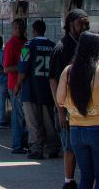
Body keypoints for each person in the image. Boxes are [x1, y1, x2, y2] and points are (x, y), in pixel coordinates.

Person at [50, 10, 91, 189]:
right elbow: (53, 79)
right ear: (71, 23)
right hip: (66, 107)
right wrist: (60, 110)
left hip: (87, 106)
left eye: (87, 23)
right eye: (81, 23)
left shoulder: (88, 44)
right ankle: (69, 181)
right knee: (69, 146)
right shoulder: (61, 47)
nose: (85, 27)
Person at [56, 31, 99, 189]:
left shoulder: (68, 71)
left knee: (86, 176)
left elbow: (60, 100)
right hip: (97, 129)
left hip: (76, 130)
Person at [18, 19, 60, 160]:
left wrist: (17, 85)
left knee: (33, 121)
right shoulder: (53, 46)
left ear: (33, 30)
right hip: (48, 89)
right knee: (49, 121)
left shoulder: (27, 46)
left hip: (30, 90)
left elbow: (23, 69)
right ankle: (53, 147)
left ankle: (36, 149)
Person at [3, 18, 29, 154]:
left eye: (21, 27)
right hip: (15, 85)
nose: (19, 30)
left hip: (25, 84)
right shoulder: (11, 45)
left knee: (25, 116)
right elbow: (6, 68)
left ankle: (24, 143)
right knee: (18, 116)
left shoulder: (26, 43)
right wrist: (22, 67)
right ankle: (17, 145)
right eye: (16, 28)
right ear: (13, 29)